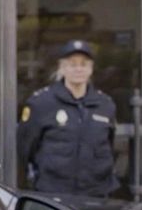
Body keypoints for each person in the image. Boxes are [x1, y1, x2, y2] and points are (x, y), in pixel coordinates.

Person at [17, 39, 118, 197]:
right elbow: (25, 149)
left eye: (83, 64)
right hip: (53, 194)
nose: (78, 69)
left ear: (91, 69)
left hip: (96, 194)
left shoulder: (105, 105)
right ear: (62, 68)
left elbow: (110, 145)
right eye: (72, 64)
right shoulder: (41, 103)